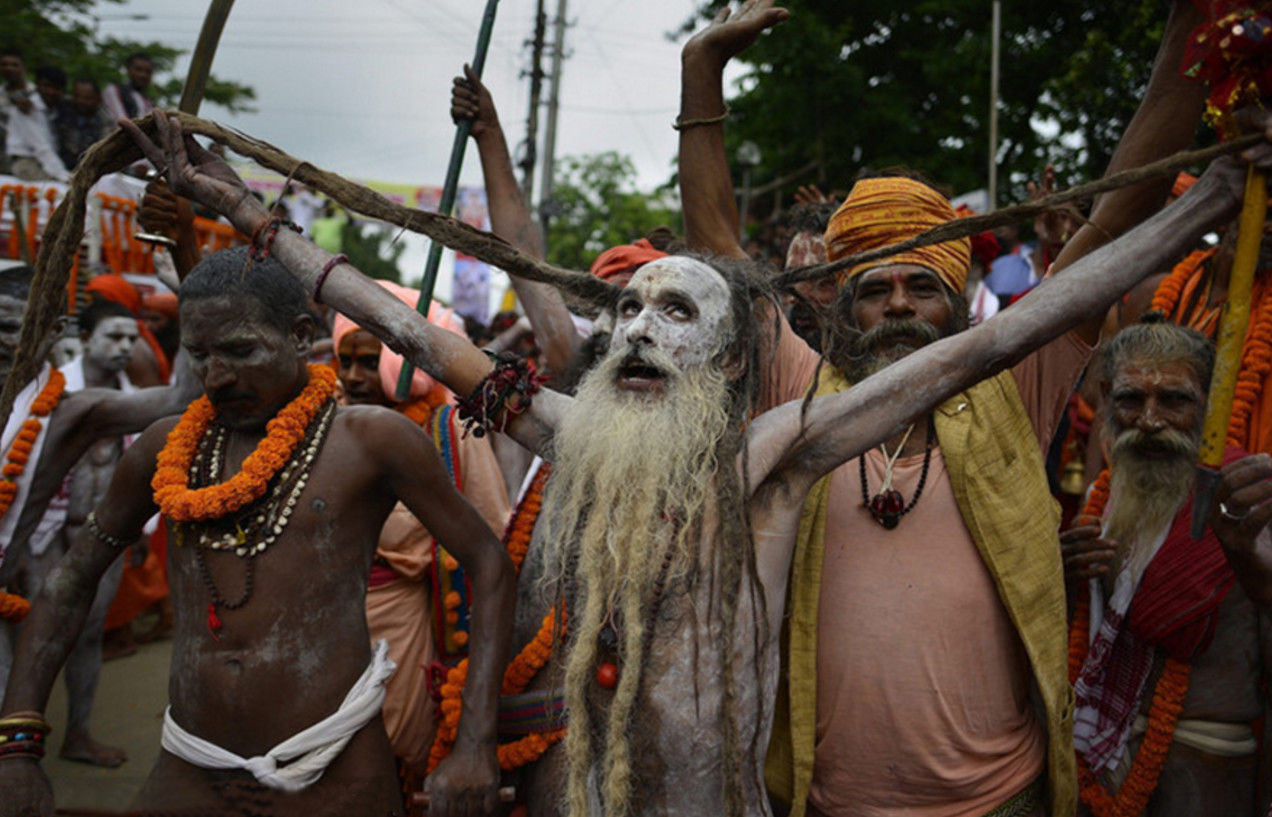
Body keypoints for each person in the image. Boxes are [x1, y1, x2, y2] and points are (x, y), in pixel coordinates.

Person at [115, 94, 1268, 815]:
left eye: (676, 315)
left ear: (726, 352)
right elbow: (410, 324)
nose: (636, 334)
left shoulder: (782, 449)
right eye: (626, 314)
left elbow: (1006, 334)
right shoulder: (568, 428)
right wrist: (244, 213)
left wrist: (1206, 198)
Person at [0, 247, 515, 817]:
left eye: (241, 351)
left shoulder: (372, 441)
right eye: (199, 355)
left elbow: (488, 562)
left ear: (299, 335)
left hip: (334, 764)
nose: (217, 377)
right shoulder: (165, 447)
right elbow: (70, 583)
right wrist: (17, 746)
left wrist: (474, 742)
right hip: (191, 764)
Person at [1060, 316, 1272, 816]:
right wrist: (1060, 579)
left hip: (1208, 770)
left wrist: (1248, 560)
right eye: (1131, 400)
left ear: (1209, 404)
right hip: (1097, 763)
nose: (1150, 421)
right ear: (1107, 399)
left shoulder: (1249, 504)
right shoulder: (1101, 500)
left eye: (1174, 400)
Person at [333, 280, 510, 777]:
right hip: (327, 619)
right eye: (345, 362)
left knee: (396, 750)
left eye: (370, 362)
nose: (352, 376)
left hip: (409, 625)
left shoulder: (450, 429)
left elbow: (492, 535)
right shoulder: (330, 421)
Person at [5, 300, 140, 768]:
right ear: (84, 338)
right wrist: (14, 549)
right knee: (27, 645)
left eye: (132, 338)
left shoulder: (130, 396)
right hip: (40, 541)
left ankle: (77, 735)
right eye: (114, 337)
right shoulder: (46, 398)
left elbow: (139, 468)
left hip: (100, 538)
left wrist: (138, 532)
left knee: (86, 638)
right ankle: (18, 759)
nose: (125, 347)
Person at [0, 48, 68, 183]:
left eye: (56, 88)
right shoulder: (27, 108)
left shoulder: (51, 108)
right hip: (26, 163)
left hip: (45, 162)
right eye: (46, 86)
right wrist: (64, 176)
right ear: (37, 86)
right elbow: (41, 147)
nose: (51, 92)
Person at [51, 79, 113, 171]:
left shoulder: (105, 119)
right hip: (58, 164)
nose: (80, 101)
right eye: (77, 96)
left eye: (87, 98)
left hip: (89, 168)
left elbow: (105, 152)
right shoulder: (63, 105)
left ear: (98, 99)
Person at [101, 52, 154, 122]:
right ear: (128, 69)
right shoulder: (114, 91)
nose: (143, 75)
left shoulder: (147, 101)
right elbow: (121, 122)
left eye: (148, 71)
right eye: (138, 69)